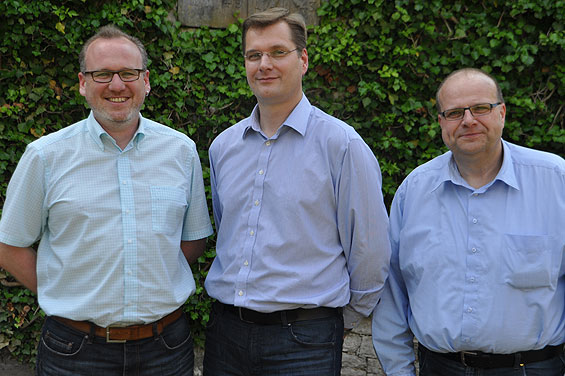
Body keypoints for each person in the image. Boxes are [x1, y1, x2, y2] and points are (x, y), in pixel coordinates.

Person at [0, 25, 213, 375]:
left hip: (166, 350)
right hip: (74, 352)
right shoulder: (45, 156)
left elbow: (192, 241)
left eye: (128, 73)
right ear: (83, 83)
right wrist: (63, 290)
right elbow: (10, 247)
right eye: (102, 74)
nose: (117, 85)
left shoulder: (181, 151)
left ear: (146, 81)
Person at [202, 7, 391, 376]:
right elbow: (227, 228)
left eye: (278, 52)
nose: (264, 64)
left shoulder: (342, 145)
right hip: (226, 336)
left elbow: (370, 250)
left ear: (303, 59)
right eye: (254, 55)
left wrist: (333, 319)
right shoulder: (224, 147)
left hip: (305, 342)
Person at [372, 68, 565, 376]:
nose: (468, 120)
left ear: (502, 112)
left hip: (532, 369)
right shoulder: (415, 191)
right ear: (441, 123)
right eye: (454, 112)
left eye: (480, 108)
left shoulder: (556, 181)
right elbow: (393, 293)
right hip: (440, 368)